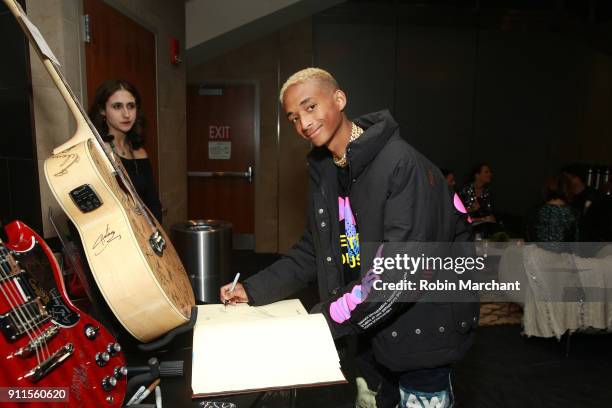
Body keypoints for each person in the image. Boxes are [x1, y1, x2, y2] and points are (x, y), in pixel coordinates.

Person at [220, 68, 478, 408]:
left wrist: (327, 318)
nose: (303, 123)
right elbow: (314, 251)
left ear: (339, 99)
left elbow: (399, 274)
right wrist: (251, 290)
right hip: (372, 332)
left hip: (421, 336)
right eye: (294, 117)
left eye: (310, 107)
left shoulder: (402, 164)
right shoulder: (327, 171)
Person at [88, 79, 162, 222]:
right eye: (117, 106)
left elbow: (153, 204)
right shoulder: (98, 151)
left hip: (145, 235)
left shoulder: (140, 152)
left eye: (131, 106)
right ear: (102, 110)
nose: (126, 114)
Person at [529, 176, 578, 242]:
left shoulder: (534, 211)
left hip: (535, 251)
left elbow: (528, 236)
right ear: (568, 190)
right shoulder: (573, 213)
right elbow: (577, 241)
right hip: (564, 251)